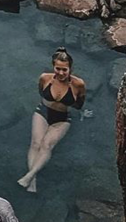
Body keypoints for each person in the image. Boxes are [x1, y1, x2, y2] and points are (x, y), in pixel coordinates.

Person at [18, 47, 86, 192]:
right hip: (42, 112)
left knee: (46, 145)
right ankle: (32, 179)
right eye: (58, 68)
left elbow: (80, 103)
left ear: (70, 69)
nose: (61, 73)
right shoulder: (45, 78)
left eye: (64, 70)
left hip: (62, 118)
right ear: (53, 66)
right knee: (36, 143)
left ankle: (30, 176)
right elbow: (41, 93)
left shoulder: (78, 84)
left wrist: (81, 112)